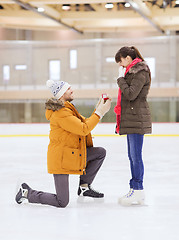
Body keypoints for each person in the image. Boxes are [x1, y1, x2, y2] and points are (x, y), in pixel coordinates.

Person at [15, 80, 111, 208]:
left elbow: (84, 123)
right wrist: (100, 113)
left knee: (99, 153)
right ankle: (27, 193)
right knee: (62, 201)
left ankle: (84, 187)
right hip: (61, 159)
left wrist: (98, 109)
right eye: (68, 89)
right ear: (61, 94)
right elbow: (83, 129)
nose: (72, 90)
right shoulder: (61, 113)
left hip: (71, 154)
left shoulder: (68, 109)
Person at [114, 46, 152, 206]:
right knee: (132, 156)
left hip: (137, 119)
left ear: (128, 58)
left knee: (136, 156)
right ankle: (135, 189)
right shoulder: (132, 72)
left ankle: (138, 189)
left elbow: (131, 94)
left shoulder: (140, 72)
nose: (121, 66)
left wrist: (120, 80)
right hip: (132, 118)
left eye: (121, 62)